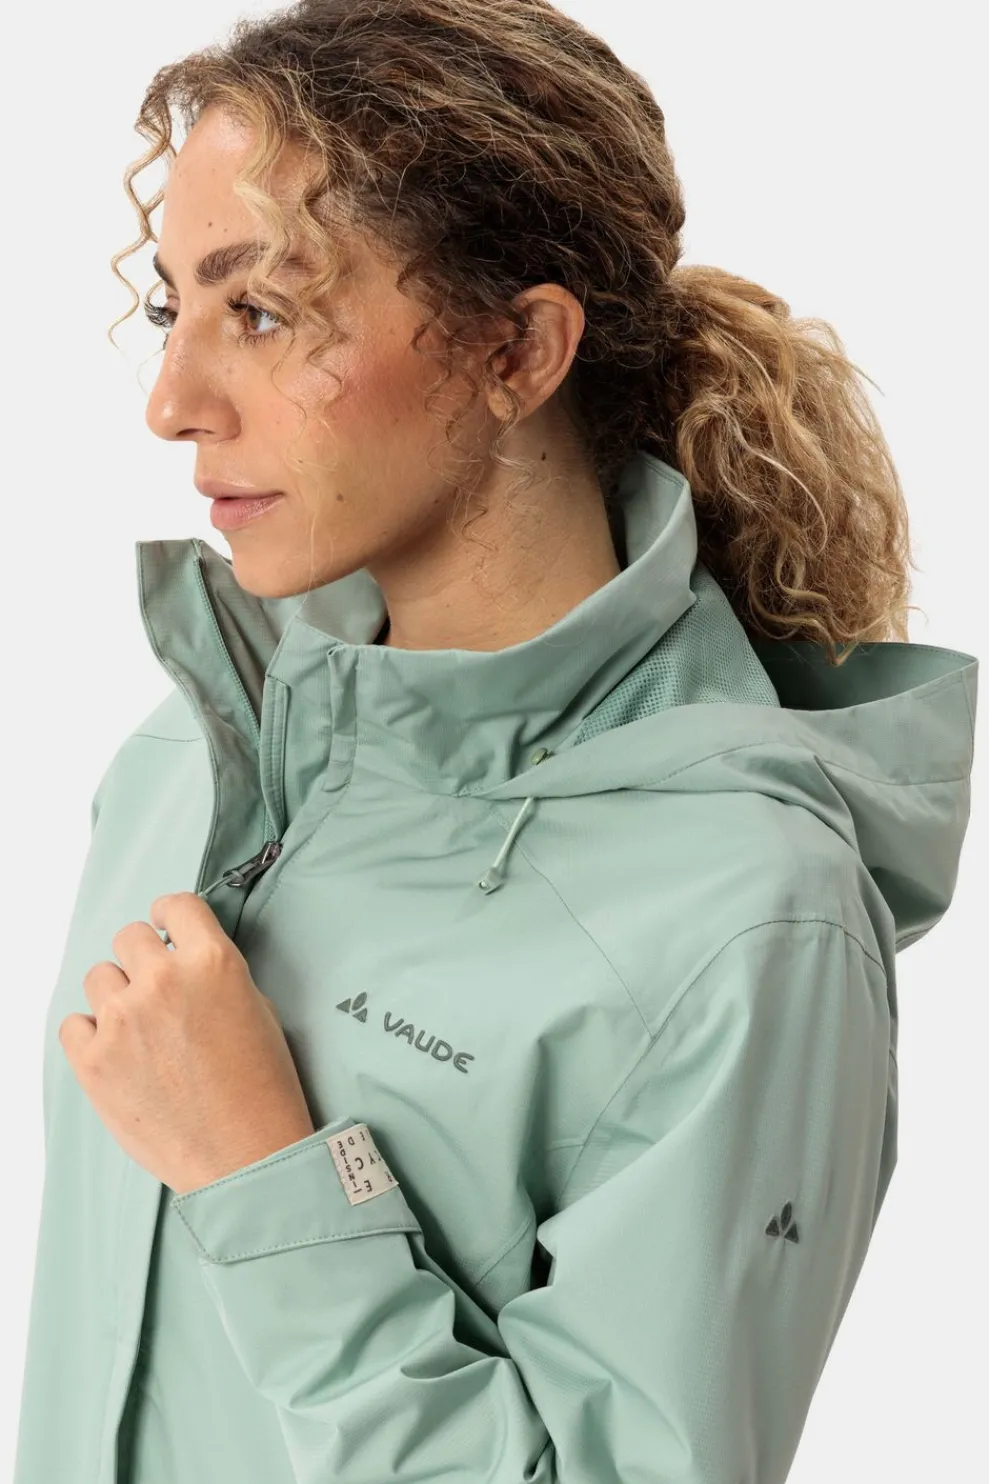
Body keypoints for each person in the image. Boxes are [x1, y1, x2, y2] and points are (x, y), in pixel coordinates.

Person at [13, 1, 979, 1481]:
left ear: (518, 350)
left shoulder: (746, 908)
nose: (171, 403)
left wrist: (263, 1176)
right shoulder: (187, 754)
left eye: (259, 312)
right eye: (170, 312)